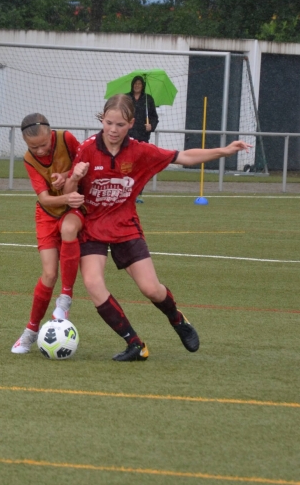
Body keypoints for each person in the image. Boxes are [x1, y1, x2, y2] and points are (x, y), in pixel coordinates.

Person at [72, 94, 250, 362]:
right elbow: (69, 188)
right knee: (93, 283)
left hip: (125, 226)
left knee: (151, 289)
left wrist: (224, 151)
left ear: (131, 123)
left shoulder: (140, 151)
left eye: (120, 124)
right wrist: (72, 179)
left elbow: (184, 157)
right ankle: (135, 344)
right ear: (102, 119)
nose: (113, 130)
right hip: (92, 227)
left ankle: (177, 319)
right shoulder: (86, 150)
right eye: (109, 123)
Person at [11, 114, 85, 354]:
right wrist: (66, 196)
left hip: (73, 209)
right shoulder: (29, 159)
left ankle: (65, 298)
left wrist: (68, 176)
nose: (40, 150)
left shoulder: (66, 139)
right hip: (46, 214)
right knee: (49, 273)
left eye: (44, 144)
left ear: (51, 134)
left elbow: (86, 163)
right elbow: (44, 199)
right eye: (34, 147)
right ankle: (30, 331)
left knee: (68, 229)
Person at [128, 75, 158, 143]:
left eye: (139, 84)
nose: (137, 85)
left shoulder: (148, 99)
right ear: (132, 85)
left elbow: (154, 117)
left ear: (142, 86)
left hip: (143, 136)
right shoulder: (126, 97)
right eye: (135, 83)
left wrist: (151, 126)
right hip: (128, 135)